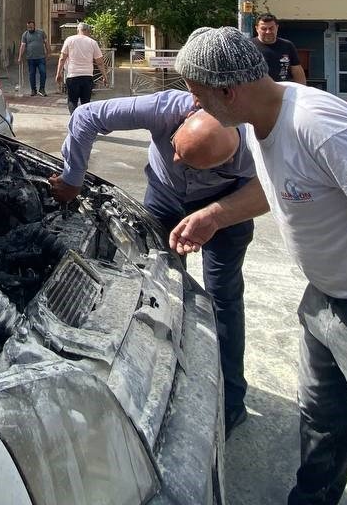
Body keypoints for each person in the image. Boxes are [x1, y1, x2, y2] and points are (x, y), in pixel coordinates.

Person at [170, 26, 347, 505]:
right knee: (321, 425)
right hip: (325, 302)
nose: (194, 104)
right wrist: (216, 215)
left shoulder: (319, 125)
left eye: (198, 93)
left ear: (228, 91)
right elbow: (287, 185)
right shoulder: (258, 119)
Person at [48, 92, 257, 437]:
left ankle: (231, 400)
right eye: (175, 147)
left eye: (190, 162)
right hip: (165, 200)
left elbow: (270, 191)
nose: (174, 158)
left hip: (228, 206)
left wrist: (216, 216)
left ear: (230, 160)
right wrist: (73, 179)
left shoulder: (254, 150)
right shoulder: (165, 109)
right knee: (160, 288)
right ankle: (162, 380)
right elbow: (85, 116)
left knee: (224, 298)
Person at [56, 22, 107, 113]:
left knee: (72, 101)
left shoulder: (69, 40)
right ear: (88, 31)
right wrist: (104, 76)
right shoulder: (92, 42)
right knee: (86, 103)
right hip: (87, 77)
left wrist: (58, 73)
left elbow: (62, 58)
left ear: (77, 30)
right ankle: (84, 120)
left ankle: (74, 118)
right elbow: (100, 62)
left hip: (73, 76)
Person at [254, 13, 307, 85]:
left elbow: (297, 70)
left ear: (277, 27)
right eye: (264, 29)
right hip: (259, 89)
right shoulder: (250, 47)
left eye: (271, 28)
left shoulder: (287, 45)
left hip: (283, 88)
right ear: (257, 29)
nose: (268, 32)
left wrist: (302, 89)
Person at [18, 19, 49, 96]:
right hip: (30, 58)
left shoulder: (41, 32)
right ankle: (33, 90)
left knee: (43, 72)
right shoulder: (25, 34)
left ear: (34, 26)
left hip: (41, 57)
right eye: (28, 27)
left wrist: (48, 53)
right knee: (32, 74)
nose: (30, 29)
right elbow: (23, 46)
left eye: (31, 27)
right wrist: (20, 57)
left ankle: (42, 89)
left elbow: (46, 43)